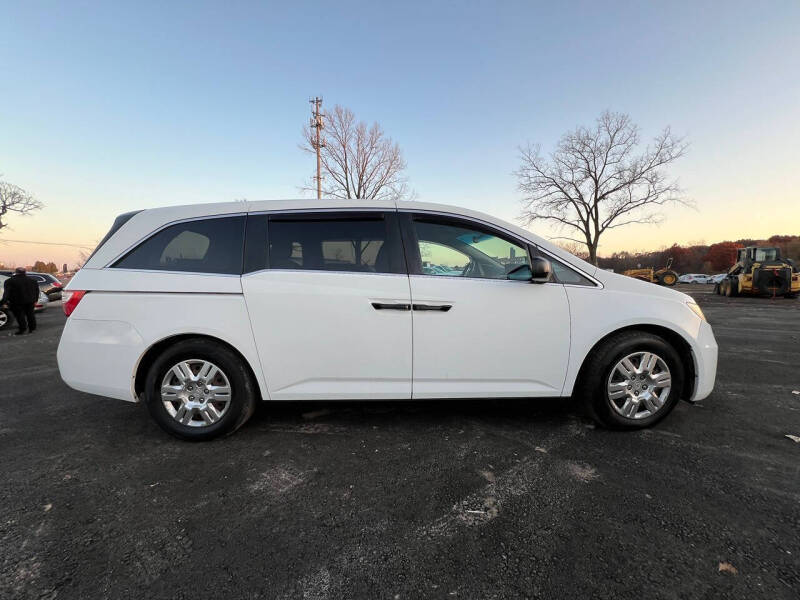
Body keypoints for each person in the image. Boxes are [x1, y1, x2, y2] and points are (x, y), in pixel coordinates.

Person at [1, 267, 40, 335]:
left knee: (20, 316)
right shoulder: (33, 280)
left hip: (16, 302)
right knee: (30, 315)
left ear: (16, 272)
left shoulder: (9, 281)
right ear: (25, 272)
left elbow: (6, 293)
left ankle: (22, 329)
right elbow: (37, 291)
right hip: (30, 301)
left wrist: (3, 302)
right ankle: (32, 328)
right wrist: (35, 300)